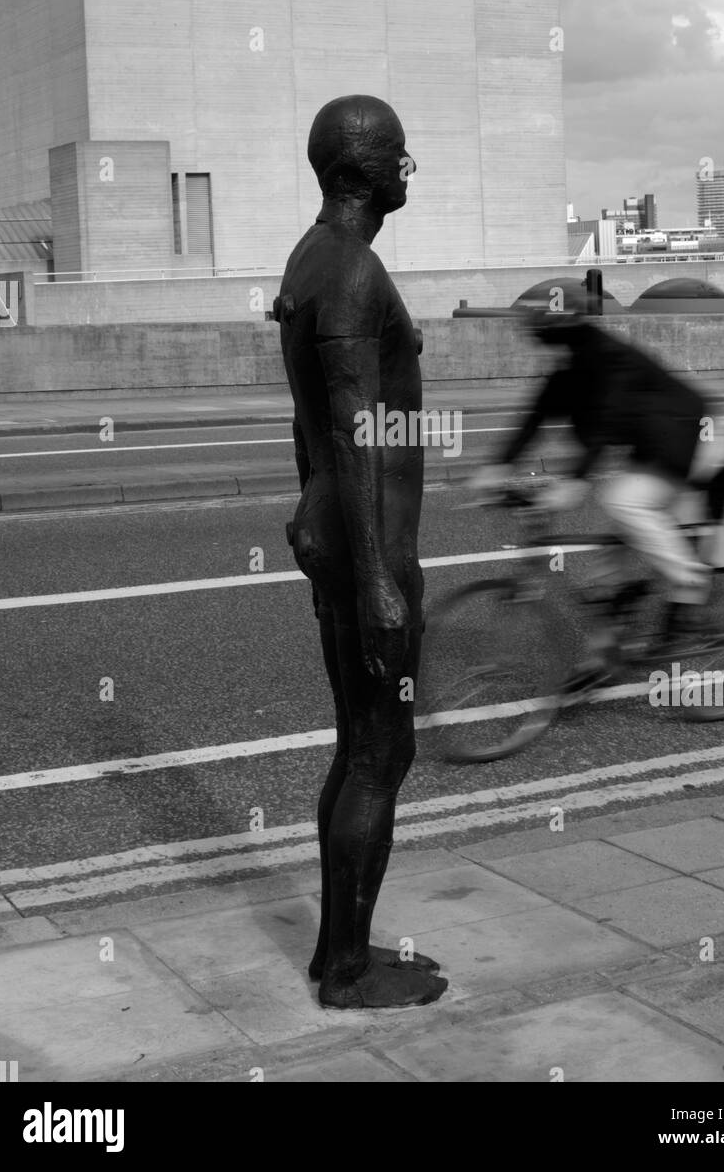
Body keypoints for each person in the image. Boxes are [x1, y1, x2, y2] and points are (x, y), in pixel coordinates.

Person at [276, 95, 447, 1010]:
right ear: (355, 173)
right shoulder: (350, 272)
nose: (403, 167)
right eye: (395, 154)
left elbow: (308, 426)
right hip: (373, 548)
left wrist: (308, 514)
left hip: (341, 534)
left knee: (357, 748)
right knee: (381, 752)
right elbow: (349, 429)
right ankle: (347, 968)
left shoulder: (314, 258)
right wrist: (378, 578)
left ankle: (335, 949)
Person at [467, 301, 724, 653]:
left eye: (544, 335)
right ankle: (607, 649)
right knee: (608, 566)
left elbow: (607, 419)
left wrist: (575, 480)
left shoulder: (610, 358)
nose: (541, 344)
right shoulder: (571, 364)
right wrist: (497, 466)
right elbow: (536, 415)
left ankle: (692, 586)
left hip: (687, 437)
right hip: (652, 448)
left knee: (622, 500)